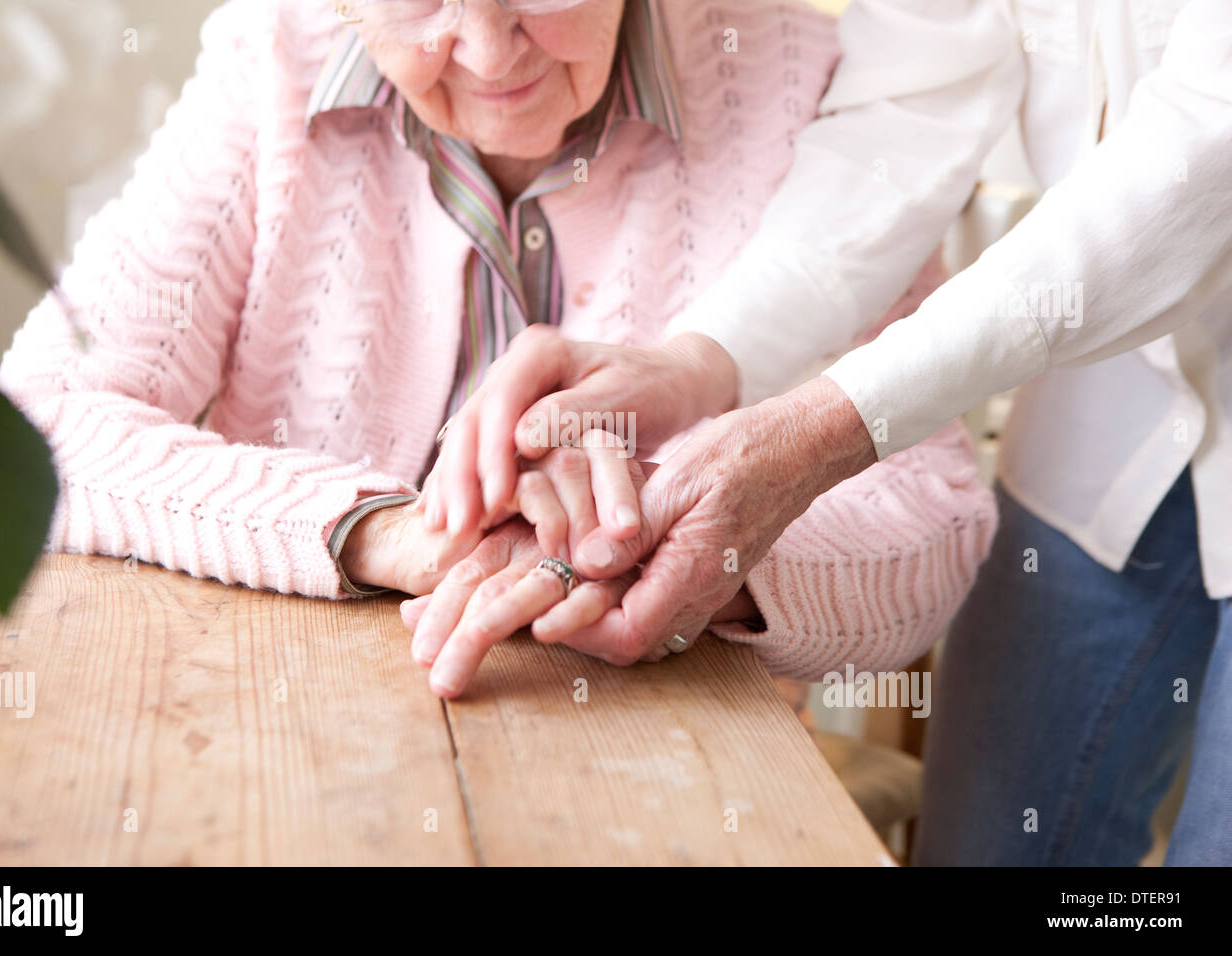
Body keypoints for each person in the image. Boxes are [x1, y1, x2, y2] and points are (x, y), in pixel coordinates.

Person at [0, 0, 997, 701]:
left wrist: (663, 548)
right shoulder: (272, 54)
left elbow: (935, 517)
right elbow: (34, 421)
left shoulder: (796, 79)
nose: (485, 51)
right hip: (281, 721)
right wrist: (400, 534)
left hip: (661, 764)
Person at [430, 0, 1232, 865]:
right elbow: (910, 107)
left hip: (1137, 295)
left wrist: (818, 431)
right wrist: (701, 361)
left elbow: (1203, 155)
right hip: (1118, 410)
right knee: (991, 849)